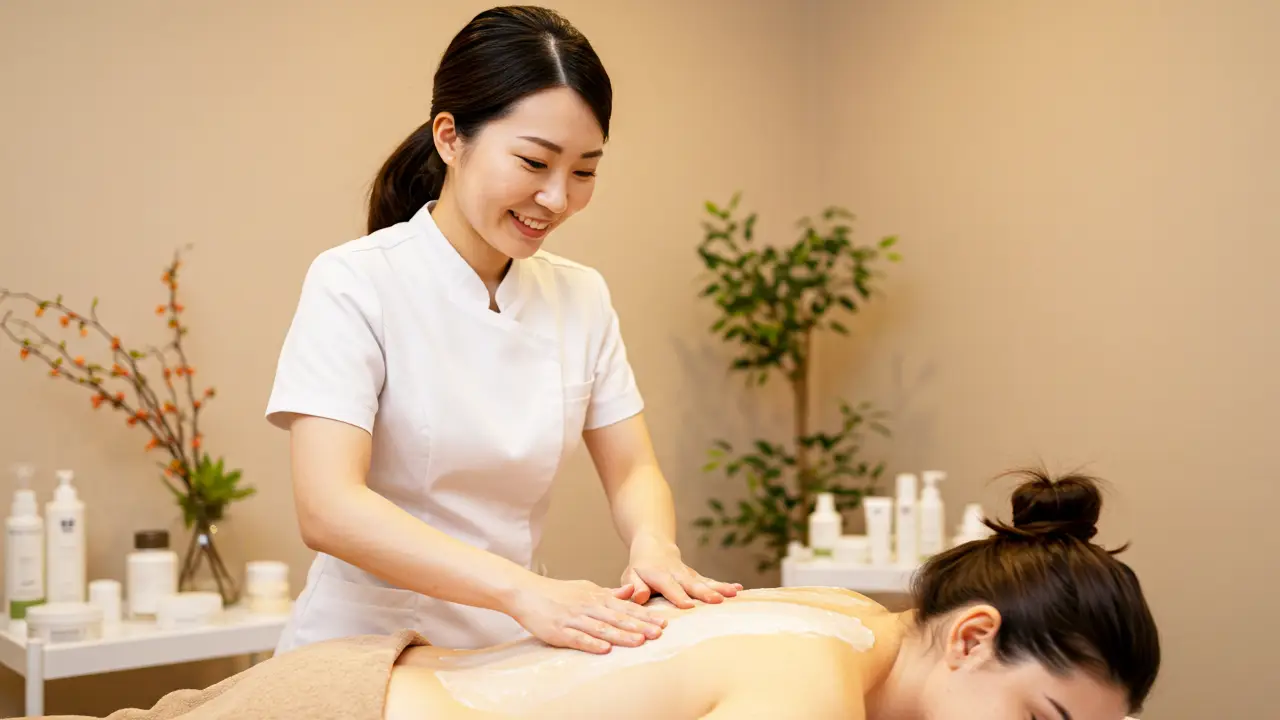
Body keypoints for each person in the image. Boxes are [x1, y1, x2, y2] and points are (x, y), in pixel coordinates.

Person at [262, 5, 739, 656]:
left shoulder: (581, 296)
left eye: (584, 170)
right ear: (450, 137)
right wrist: (524, 591)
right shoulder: (355, 282)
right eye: (534, 162)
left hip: (510, 652)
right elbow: (328, 506)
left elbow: (633, 471)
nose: (557, 198)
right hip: (363, 648)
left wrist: (653, 544)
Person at [51, 469, 1160, 720]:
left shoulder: (852, 621)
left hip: (343, 686)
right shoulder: (809, 680)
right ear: (970, 638)